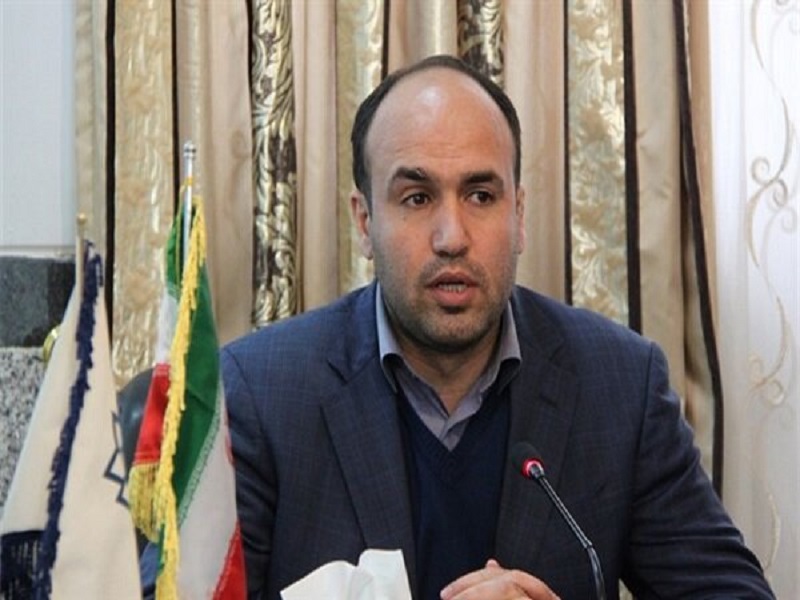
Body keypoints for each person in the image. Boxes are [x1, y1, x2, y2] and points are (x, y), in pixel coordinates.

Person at [221, 54, 773, 599]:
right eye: (417, 197)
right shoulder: (261, 394)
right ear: (364, 222)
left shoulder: (621, 385)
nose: (452, 237)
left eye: (481, 196)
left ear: (519, 215)